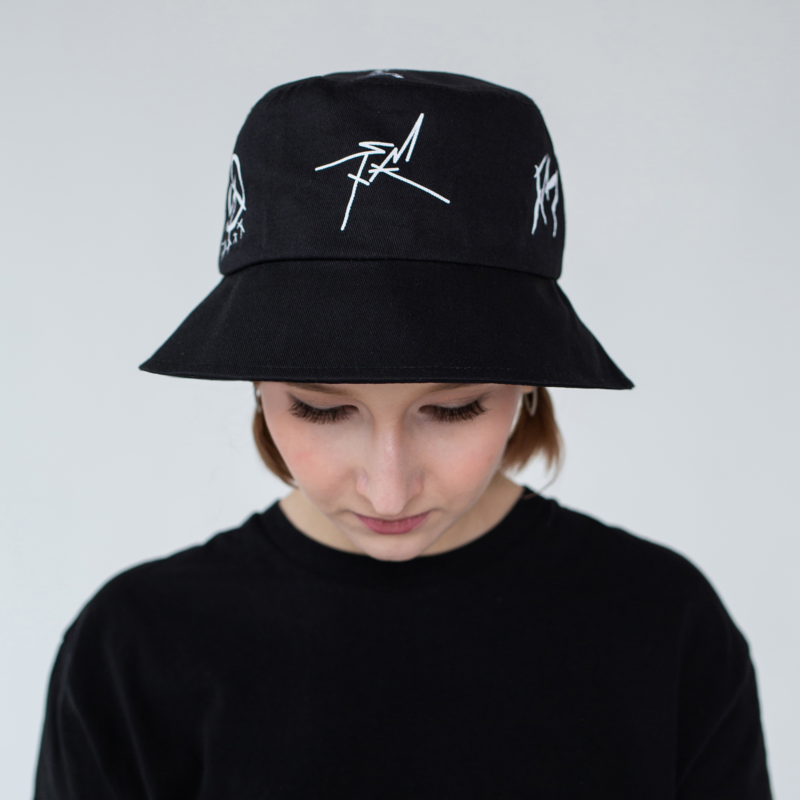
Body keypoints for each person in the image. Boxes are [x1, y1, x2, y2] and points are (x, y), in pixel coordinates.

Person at [34, 69, 772, 799]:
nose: (388, 489)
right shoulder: (133, 650)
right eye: (321, 410)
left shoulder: (663, 628)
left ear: (530, 381)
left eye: (454, 409)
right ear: (255, 383)